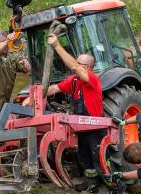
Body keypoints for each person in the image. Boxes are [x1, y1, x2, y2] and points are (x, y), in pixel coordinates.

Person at [47, 33, 104, 193]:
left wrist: (57, 46)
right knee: (85, 158)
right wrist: (34, 98)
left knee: (99, 158)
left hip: (95, 128)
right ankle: (91, 183)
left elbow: (74, 67)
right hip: (81, 129)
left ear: (87, 67)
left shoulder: (92, 79)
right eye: (76, 62)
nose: (74, 65)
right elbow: (55, 88)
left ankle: (113, 185)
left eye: (79, 63)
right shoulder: (74, 81)